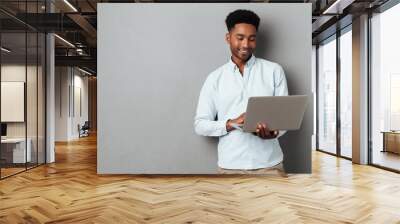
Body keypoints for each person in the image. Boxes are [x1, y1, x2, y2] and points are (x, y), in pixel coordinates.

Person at [194, 9, 288, 176]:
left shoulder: (274, 71)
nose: (246, 44)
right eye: (240, 38)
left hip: (270, 165)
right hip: (230, 166)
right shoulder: (214, 78)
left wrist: (274, 133)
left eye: (251, 39)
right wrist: (231, 123)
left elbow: (285, 119)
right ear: (228, 38)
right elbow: (200, 124)